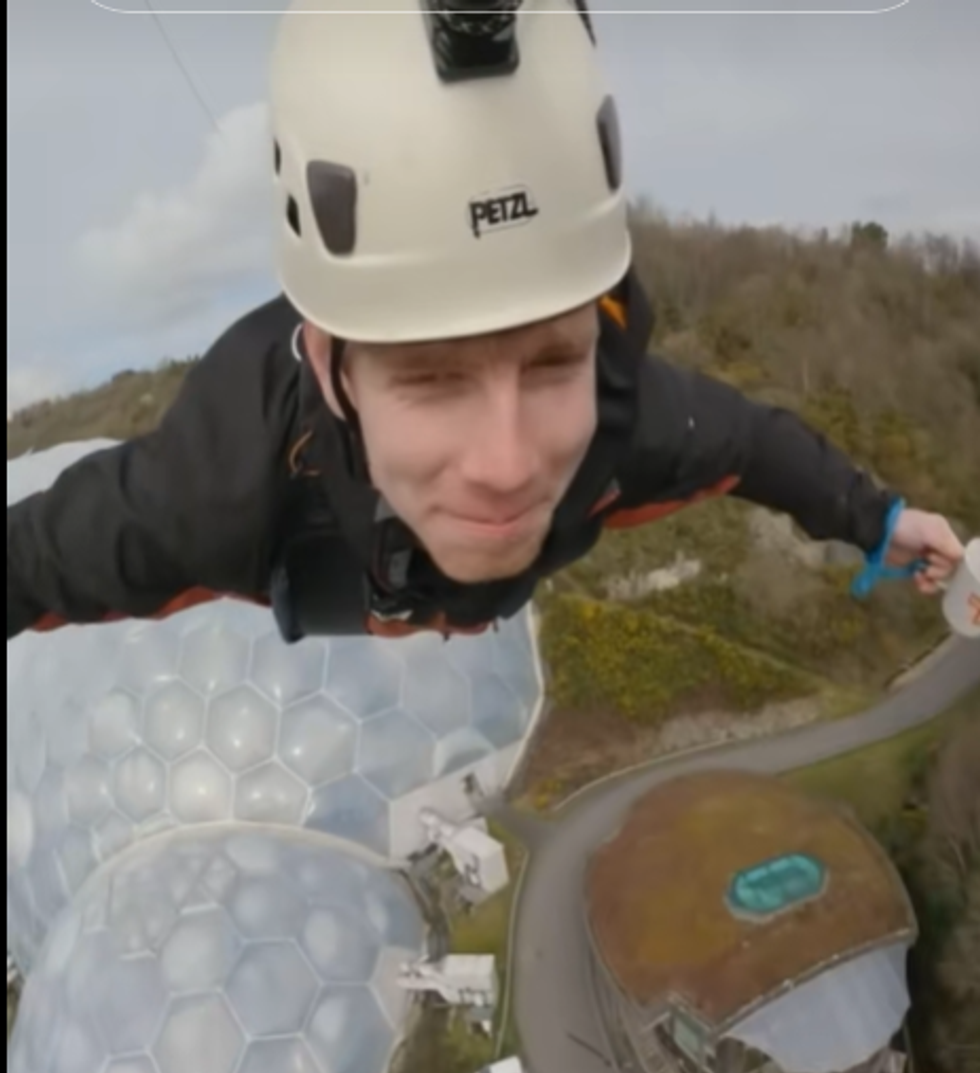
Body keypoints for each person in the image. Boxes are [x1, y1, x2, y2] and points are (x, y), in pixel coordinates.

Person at [6, 0, 963, 647]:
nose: (507, 464)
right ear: (332, 365)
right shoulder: (219, 487)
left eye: (552, 363)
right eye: (429, 377)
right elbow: (31, 559)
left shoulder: (623, 409)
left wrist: (878, 519)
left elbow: (757, 445)